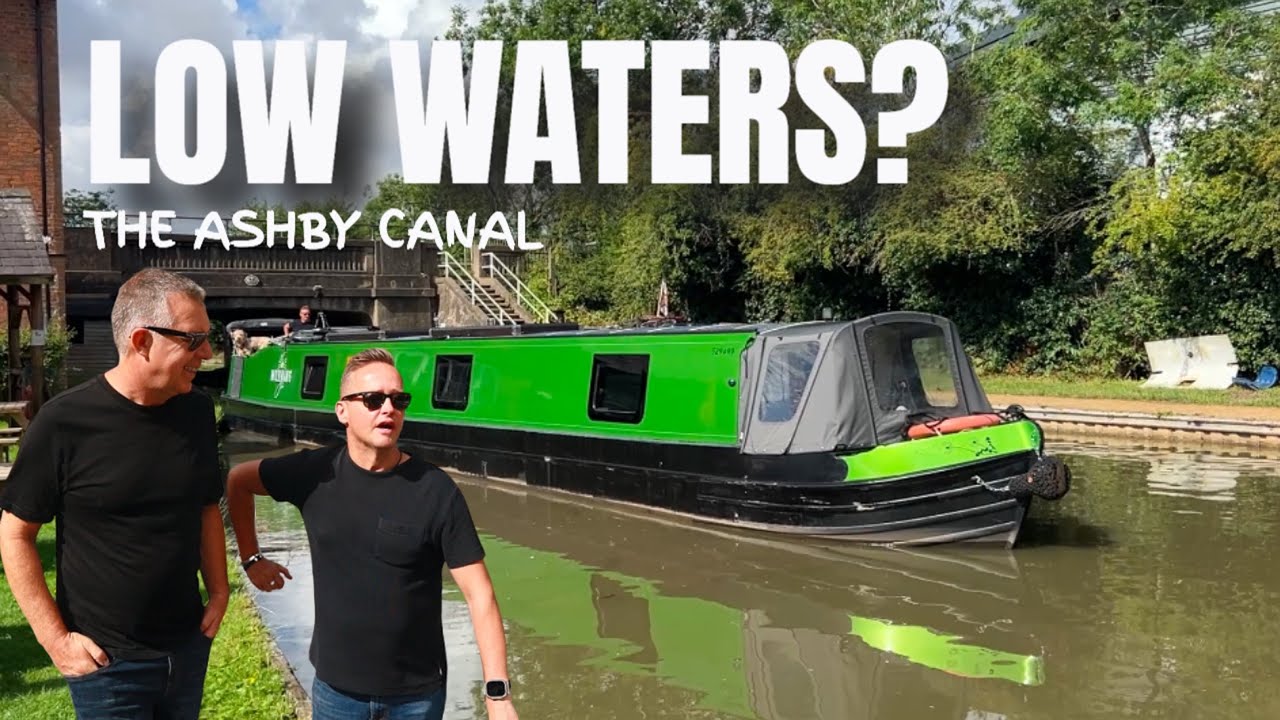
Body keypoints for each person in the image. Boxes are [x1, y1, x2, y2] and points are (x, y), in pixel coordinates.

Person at [225, 348, 519, 720]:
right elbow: (238, 481)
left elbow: (480, 595)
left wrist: (497, 696)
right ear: (342, 411)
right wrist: (251, 559)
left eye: (399, 399)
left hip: (417, 697)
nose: (389, 409)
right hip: (336, 692)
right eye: (373, 399)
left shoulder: (436, 491)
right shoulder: (312, 474)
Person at [0, 268, 228, 719]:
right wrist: (56, 640)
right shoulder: (64, 422)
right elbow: (15, 534)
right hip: (107, 663)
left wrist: (219, 592)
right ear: (142, 341)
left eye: (209, 336)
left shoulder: (198, 412)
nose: (206, 352)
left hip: (186, 649)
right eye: (193, 339)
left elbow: (205, 507)